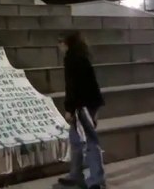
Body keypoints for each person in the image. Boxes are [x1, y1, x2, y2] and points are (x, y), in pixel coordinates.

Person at [57, 32, 106, 189]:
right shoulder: (82, 57)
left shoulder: (71, 59)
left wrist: (69, 109)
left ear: (67, 44)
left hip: (82, 106)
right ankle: (76, 175)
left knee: (89, 142)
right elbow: (93, 84)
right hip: (89, 104)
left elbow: (72, 87)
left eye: (60, 42)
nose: (59, 47)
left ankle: (96, 180)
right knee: (76, 141)